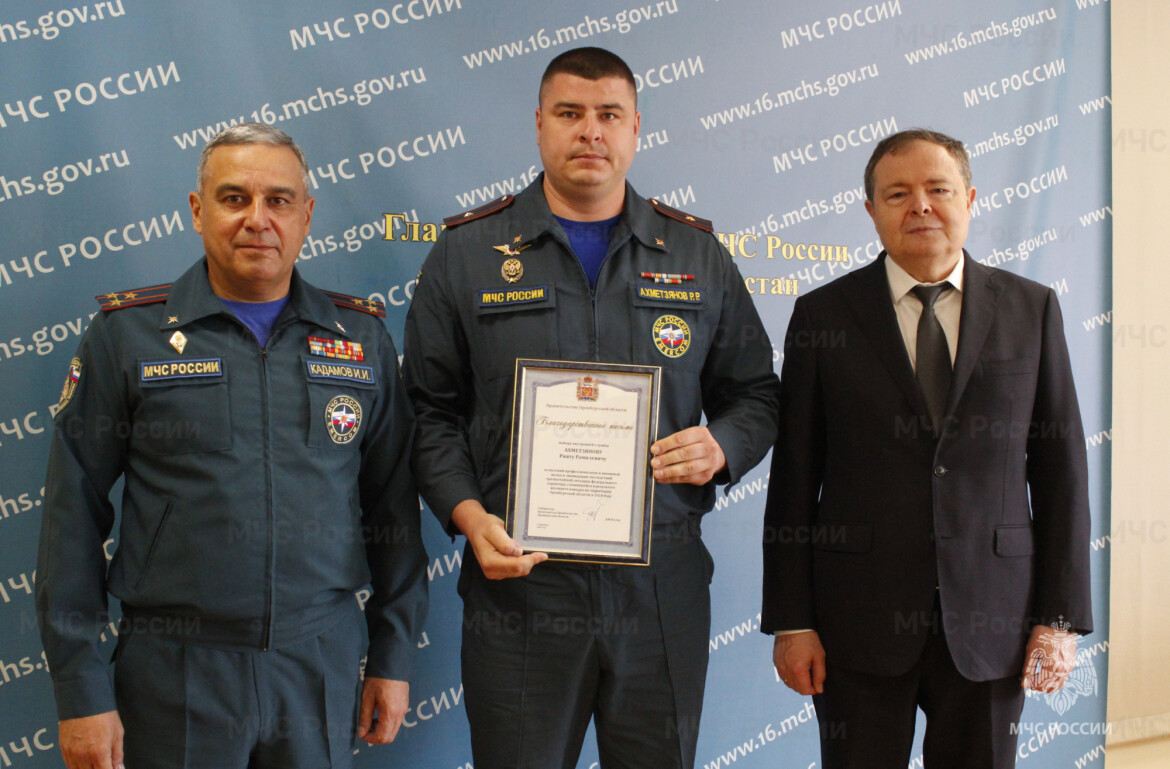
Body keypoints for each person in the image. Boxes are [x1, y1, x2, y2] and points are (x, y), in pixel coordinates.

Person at [402, 47, 779, 768]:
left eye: (609, 114)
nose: (590, 132)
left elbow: (757, 393)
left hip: (660, 590)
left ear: (635, 127)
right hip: (522, 592)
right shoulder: (465, 254)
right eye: (570, 113)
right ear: (539, 124)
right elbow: (428, 411)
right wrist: (468, 516)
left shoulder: (696, 255)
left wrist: (722, 445)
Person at [36, 123, 428, 769]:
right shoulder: (127, 337)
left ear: (306, 215)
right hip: (175, 667)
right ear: (198, 211)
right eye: (234, 198)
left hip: (319, 660)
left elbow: (394, 507)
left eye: (278, 200)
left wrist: (393, 654)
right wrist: (80, 688)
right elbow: (70, 516)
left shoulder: (360, 339)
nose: (257, 219)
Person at [761, 128, 1092, 768]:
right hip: (857, 620)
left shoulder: (1031, 309)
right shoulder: (823, 316)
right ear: (871, 210)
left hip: (994, 620)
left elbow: (1062, 475)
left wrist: (1059, 619)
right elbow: (795, 476)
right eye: (897, 194)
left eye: (938, 189)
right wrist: (792, 620)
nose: (920, 206)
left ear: (969, 198)